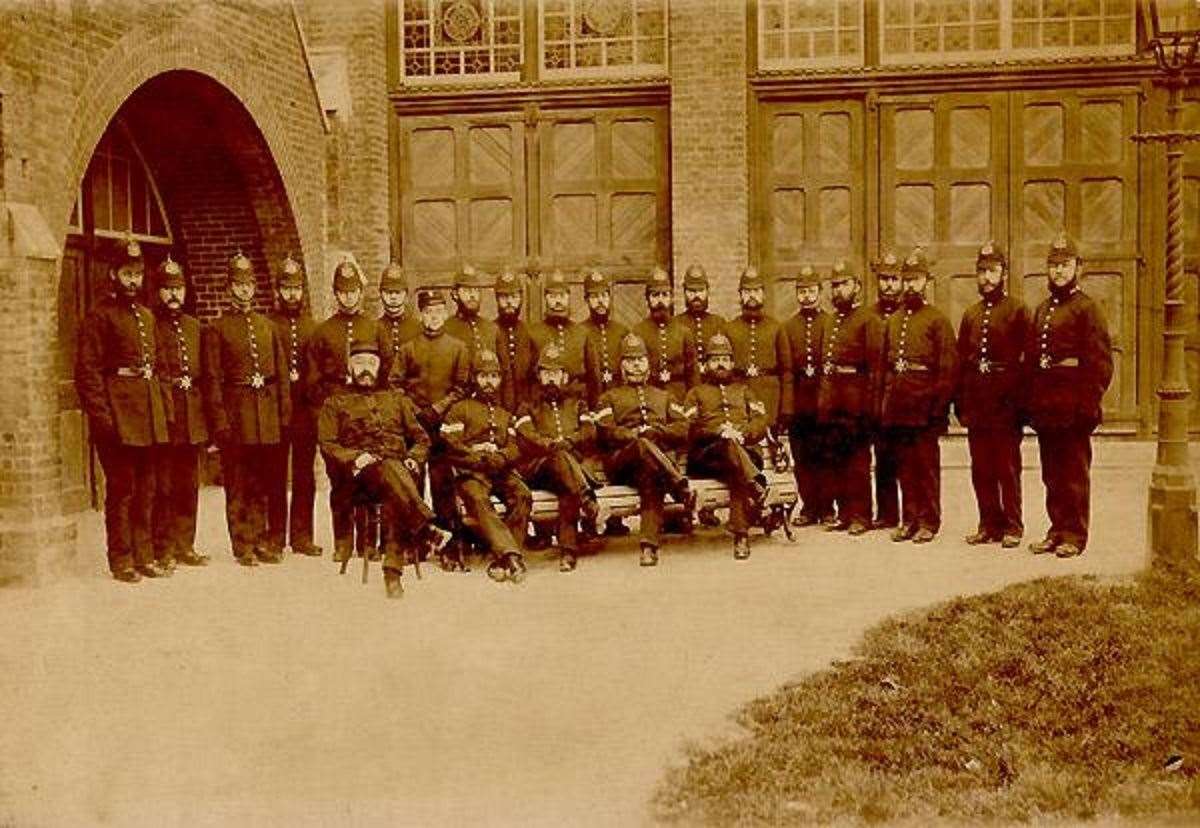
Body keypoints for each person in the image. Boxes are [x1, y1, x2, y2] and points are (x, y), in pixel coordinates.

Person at [318, 340, 452, 598]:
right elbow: (327, 443)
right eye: (359, 363)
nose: (365, 369)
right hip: (360, 478)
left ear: (380, 368)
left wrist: (414, 457)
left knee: (394, 484)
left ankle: (394, 572)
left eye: (371, 363)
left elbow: (422, 438)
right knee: (393, 476)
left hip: (397, 472)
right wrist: (355, 457)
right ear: (349, 367)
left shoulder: (397, 400)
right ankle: (423, 530)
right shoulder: (335, 402)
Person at [75, 239, 171, 582]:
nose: (134, 281)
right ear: (113, 274)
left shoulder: (145, 317)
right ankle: (121, 559)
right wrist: (103, 420)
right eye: (127, 273)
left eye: (138, 274)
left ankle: (144, 555)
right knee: (122, 490)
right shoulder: (99, 317)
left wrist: (164, 415)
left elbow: (158, 369)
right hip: (117, 420)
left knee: (147, 490)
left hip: (146, 418)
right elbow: (87, 373)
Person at [1023, 233, 1113, 559]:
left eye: (1065, 265)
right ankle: (1056, 529)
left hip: (1073, 407)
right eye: (1054, 265)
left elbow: (1100, 364)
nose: (1059, 271)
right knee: (1051, 474)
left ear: (1078, 268)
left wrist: (1088, 406)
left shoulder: (1087, 309)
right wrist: (1033, 405)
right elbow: (1033, 363)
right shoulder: (1043, 310)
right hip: (1048, 408)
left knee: (1073, 474)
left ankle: (1074, 534)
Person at [202, 252, 292, 566]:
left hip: (265, 415)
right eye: (238, 285)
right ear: (229, 289)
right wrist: (220, 422)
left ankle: (265, 539)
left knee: (263, 481)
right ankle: (243, 544)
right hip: (237, 413)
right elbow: (212, 379)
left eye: (249, 284)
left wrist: (282, 414)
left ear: (255, 288)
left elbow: (280, 374)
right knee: (238, 483)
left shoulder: (267, 326)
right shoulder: (217, 328)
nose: (244, 291)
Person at [593, 334, 695, 567]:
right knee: (641, 446)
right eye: (630, 360)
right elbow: (606, 431)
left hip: (652, 466)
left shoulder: (664, 396)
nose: (636, 364)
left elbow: (682, 428)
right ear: (621, 366)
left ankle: (649, 547)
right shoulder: (609, 397)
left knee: (652, 479)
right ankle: (680, 486)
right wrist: (635, 435)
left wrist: (657, 432)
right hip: (622, 465)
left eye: (640, 359)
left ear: (649, 364)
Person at [877, 248, 956, 544]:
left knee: (926, 467)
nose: (910, 285)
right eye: (906, 279)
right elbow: (886, 367)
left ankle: (928, 521)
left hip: (924, 407)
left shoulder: (937, 320)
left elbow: (947, 369)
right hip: (899, 406)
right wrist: (885, 405)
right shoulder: (894, 320)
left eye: (916, 279)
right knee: (905, 468)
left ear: (927, 282)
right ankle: (909, 519)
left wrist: (938, 409)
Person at [955, 242, 1030, 549]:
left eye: (992, 271)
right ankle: (988, 524)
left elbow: (1027, 364)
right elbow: (962, 362)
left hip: (1006, 404)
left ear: (1004, 274)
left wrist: (1021, 407)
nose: (986, 278)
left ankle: (1013, 525)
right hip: (979, 403)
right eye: (982, 271)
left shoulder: (1017, 311)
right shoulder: (971, 315)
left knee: (1007, 468)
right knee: (981, 467)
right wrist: (962, 405)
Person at [440, 349, 530, 582]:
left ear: (500, 379)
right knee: (479, 499)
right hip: (471, 473)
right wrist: (476, 454)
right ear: (474, 378)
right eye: (483, 376)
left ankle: (502, 557)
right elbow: (450, 444)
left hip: (499, 470)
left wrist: (501, 456)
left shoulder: (504, 414)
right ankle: (512, 558)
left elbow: (515, 447)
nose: (488, 382)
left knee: (522, 494)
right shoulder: (460, 409)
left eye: (493, 376)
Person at [514, 345, 601, 573]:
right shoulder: (527, 406)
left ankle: (568, 552)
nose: (551, 379)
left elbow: (590, 431)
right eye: (546, 373)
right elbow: (526, 437)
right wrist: (551, 445)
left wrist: (569, 442)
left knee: (567, 487)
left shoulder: (578, 403)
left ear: (564, 376)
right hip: (539, 470)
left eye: (556, 373)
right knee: (560, 459)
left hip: (567, 471)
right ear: (539, 376)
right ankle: (589, 503)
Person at [683, 334, 770, 561]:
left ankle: (742, 532)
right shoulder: (695, 394)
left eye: (724, 359)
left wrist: (743, 434)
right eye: (714, 359)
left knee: (736, 468)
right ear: (705, 365)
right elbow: (688, 427)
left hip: (743, 453)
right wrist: (718, 432)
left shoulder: (745, 390)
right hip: (708, 457)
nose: (720, 364)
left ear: (732, 363)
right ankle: (755, 493)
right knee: (732, 454)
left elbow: (761, 421)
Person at [151, 255, 210, 571]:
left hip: (192, 416)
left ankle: (185, 544)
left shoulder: (194, 327)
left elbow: (205, 375)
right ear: (158, 291)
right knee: (165, 486)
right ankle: (163, 547)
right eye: (167, 289)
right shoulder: (151, 324)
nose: (174, 294)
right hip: (166, 414)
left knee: (188, 484)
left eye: (179, 288)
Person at [817, 260, 881, 535]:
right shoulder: (831, 320)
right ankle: (844, 513)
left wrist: (870, 405)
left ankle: (861, 516)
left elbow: (875, 368)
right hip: (834, 399)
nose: (839, 290)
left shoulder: (868, 320)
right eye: (835, 286)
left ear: (857, 287)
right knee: (837, 460)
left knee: (857, 462)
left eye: (844, 284)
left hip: (856, 401)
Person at [267, 254, 322, 557]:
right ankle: (274, 536)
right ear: (277, 290)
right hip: (276, 412)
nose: (292, 294)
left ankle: (302, 536)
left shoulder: (313, 327)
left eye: (296, 288)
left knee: (304, 474)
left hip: (304, 412)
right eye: (286, 288)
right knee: (274, 475)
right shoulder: (267, 325)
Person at [781, 264, 832, 526]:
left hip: (823, 401)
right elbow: (788, 370)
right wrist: (788, 408)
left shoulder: (830, 323)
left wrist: (828, 402)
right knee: (802, 457)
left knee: (825, 454)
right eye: (801, 291)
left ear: (820, 292)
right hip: (800, 402)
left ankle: (827, 508)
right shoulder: (789, 327)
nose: (806, 296)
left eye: (811, 290)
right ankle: (809, 506)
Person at [726, 265, 793, 429]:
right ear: (740, 295)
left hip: (769, 397)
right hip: (739, 397)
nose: (752, 296)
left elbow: (787, 370)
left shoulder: (776, 327)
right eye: (747, 292)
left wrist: (786, 408)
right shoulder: (729, 328)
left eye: (756, 291)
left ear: (763, 294)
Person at [869, 251, 904, 531]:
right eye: (884, 279)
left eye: (894, 279)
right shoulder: (869, 316)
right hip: (878, 395)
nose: (889, 285)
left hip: (905, 396)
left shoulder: (909, 316)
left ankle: (915, 513)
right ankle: (887, 513)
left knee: (907, 459)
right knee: (882, 458)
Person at [633, 266, 696, 402]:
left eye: (664, 295)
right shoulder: (638, 332)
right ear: (647, 299)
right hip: (650, 397)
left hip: (680, 396)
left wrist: (692, 402)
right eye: (655, 295)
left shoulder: (684, 332)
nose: (660, 300)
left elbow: (692, 373)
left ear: (671, 298)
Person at [528, 269, 592, 401]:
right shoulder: (533, 333)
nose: (558, 301)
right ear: (545, 298)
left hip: (577, 401)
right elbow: (527, 377)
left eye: (562, 296)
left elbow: (592, 376)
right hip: (543, 402)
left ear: (569, 297)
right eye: (553, 296)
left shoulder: (582, 333)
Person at [580, 268, 628, 408]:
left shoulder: (622, 331)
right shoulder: (580, 332)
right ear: (586, 300)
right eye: (594, 297)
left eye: (604, 295)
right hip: (590, 399)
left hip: (619, 399)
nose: (600, 301)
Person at [673, 264, 727, 382]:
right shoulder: (676, 324)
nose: (696, 296)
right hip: (686, 384)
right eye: (691, 291)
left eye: (700, 290)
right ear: (684, 292)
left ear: (707, 291)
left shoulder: (719, 323)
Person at [494, 268, 536, 413]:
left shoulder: (530, 333)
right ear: (497, 300)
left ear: (521, 299)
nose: (509, 302)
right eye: (504, 297)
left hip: (526, 410)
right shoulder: (490, 332)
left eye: (514, 296)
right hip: (497, 409)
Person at [445, 264, 501, 364]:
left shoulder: (491, 328)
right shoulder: (446, 329)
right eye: (467, 290)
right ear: (455, 294)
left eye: (476, 290)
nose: (472, 295)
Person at [378, 261, 422, 366]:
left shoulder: (418, 328)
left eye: (398, 292)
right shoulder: (373, 328)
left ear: (406, 294)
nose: (393, 297)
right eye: (388, 292)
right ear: (381, 294)